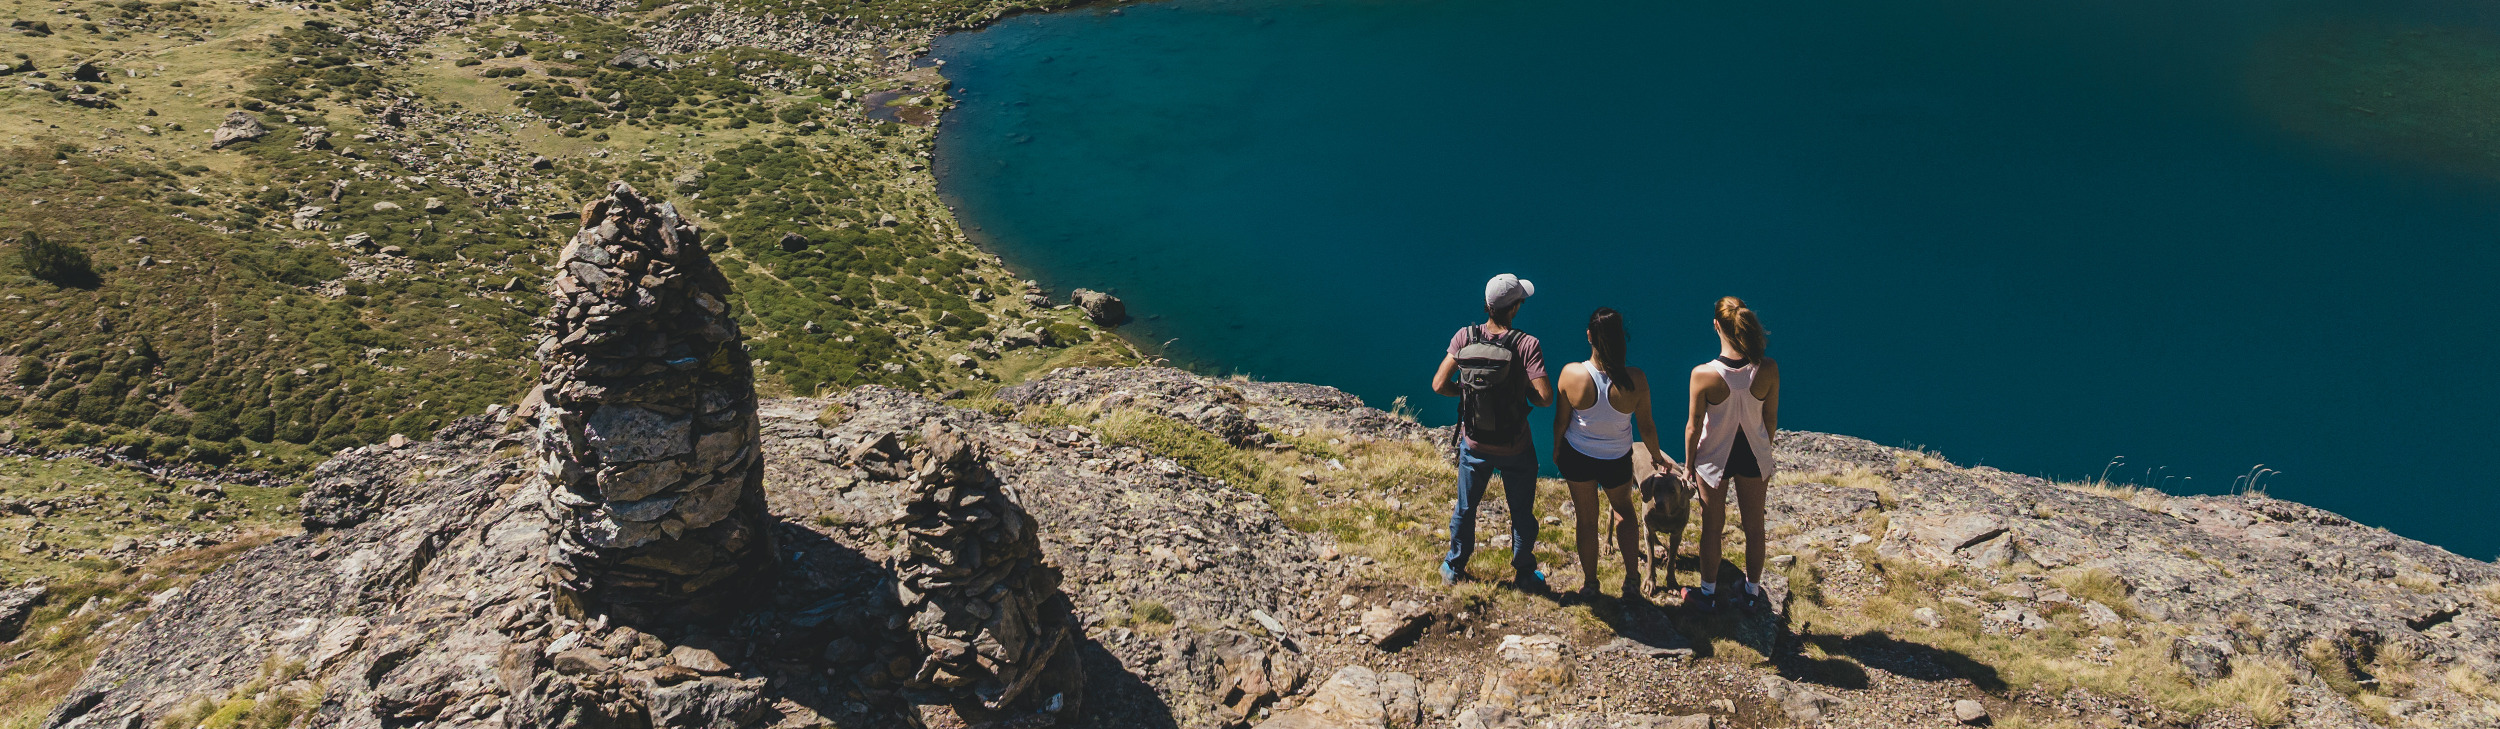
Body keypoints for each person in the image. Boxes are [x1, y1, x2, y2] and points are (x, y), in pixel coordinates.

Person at [1431, 274, 1555, 591]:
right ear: (1513, 308)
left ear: (1487, 306)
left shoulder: (1465, 337)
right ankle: (1525, 572)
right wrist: (1516, 391)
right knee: (1521, 512)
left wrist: (1467, 391)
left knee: (1466, 507)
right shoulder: (1526, 345)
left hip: (1474, 442)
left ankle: (1454, 565)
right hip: (1515, 445)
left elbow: (1438, 384)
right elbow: (1544, 397)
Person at [1551, 308, 1675, 600]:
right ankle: (1632, 580)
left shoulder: (1572, 374)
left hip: (1578, 455)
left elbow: (1561, 421)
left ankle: (1591, 584)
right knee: (1624, 513)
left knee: (1586, 517)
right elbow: (1646, 426)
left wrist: (1557, 448)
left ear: (1589, 336)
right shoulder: (1636, 380)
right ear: (1622, 339)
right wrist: (1656, 457)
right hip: (1617, 459)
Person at [1681, 297, 1780, 612]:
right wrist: (1765, 446)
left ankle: (1707, 594)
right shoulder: (1767, 368)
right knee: (1755, 526)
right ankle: (1752, 593)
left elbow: (1693, 428)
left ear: (1716, 326)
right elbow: (1771, 420)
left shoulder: (1703, 374)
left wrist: (1687, 467)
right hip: (1753, 453)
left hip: (1714, 457)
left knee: (1712, 526)